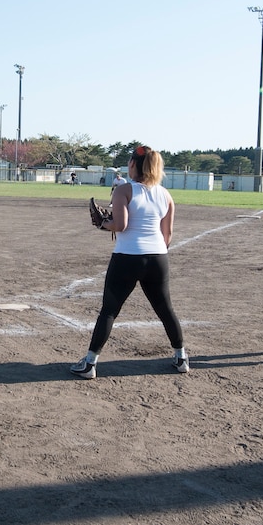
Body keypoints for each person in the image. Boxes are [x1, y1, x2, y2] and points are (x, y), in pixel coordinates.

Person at [70, 145, 186, 379]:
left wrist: (103, 224)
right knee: (165, 309)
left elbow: (120, 225)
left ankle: (90, 363)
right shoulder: (165, 194)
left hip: (127, 257)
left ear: (133, 165)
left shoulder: (124, 190)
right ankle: (181, 357)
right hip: (158, 257)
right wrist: (156, 253)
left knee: (110, 311)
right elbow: (168, 234)